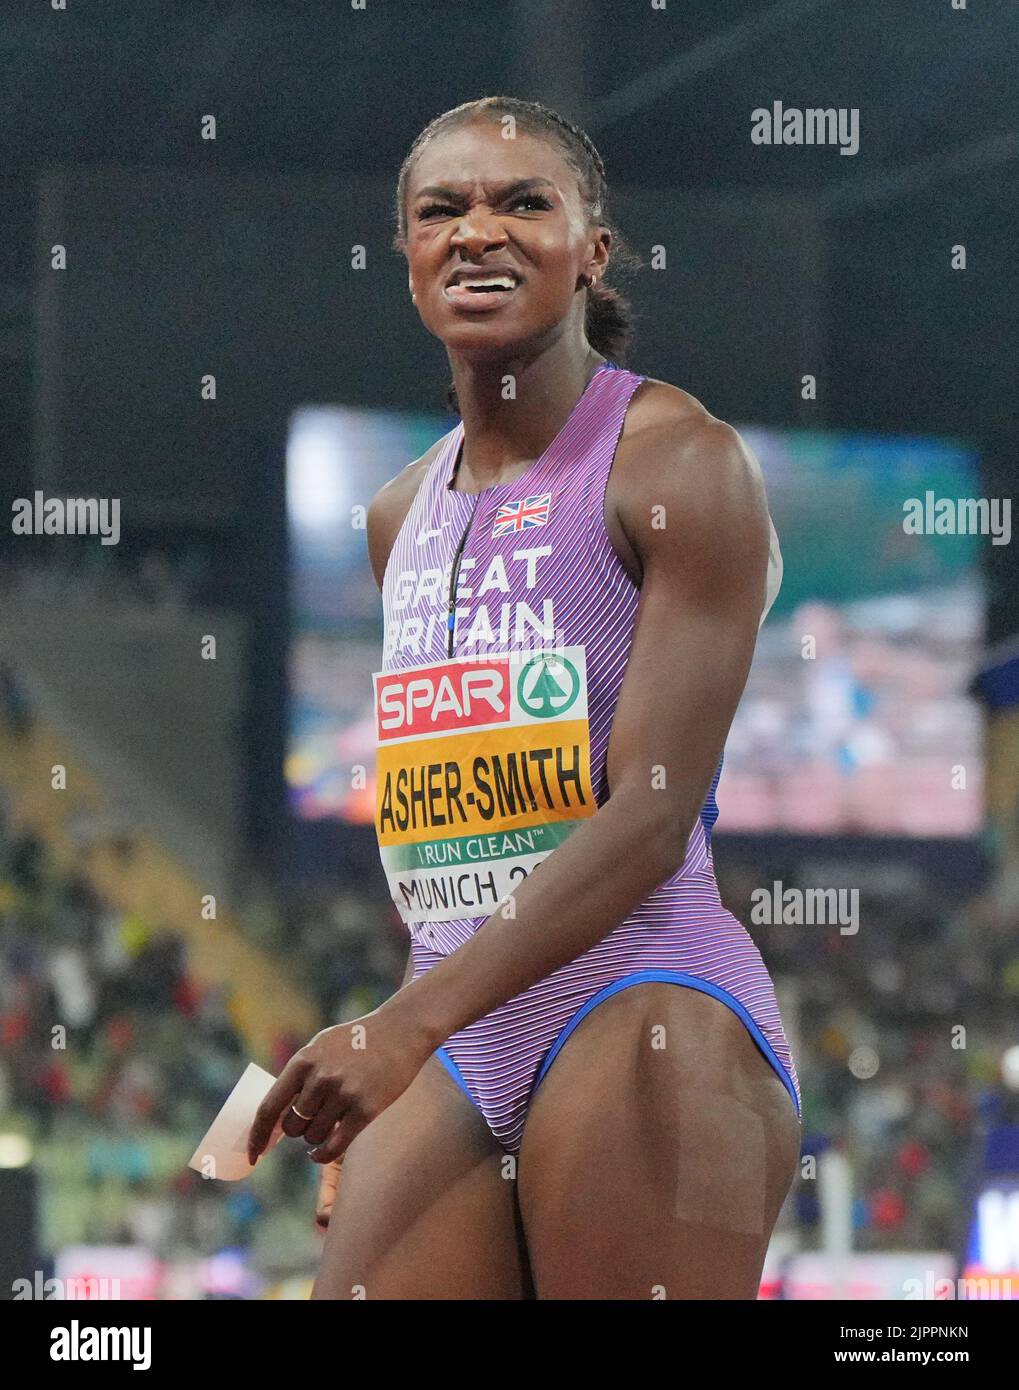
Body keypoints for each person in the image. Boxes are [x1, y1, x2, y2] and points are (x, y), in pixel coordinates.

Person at [249, 96, 801, 1300]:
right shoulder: (398, 517)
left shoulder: (677, 465)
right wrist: (399, 1042)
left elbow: (650, 818)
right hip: (456, 1025)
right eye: (440, 209)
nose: (476, 231)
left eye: (522, 202)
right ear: (405, 254)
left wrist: (402, 1032)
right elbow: (455, 835)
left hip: (644, 1000)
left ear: (591, 247)